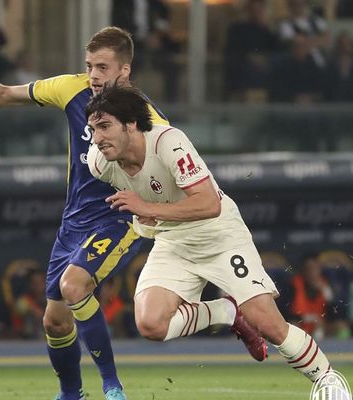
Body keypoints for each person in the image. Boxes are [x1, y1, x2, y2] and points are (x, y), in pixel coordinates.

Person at [0, 26, 173, 400]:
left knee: (74, 286)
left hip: (117, 217)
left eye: (102, 67)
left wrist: (155, 208)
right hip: (73, 223)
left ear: (124, 70)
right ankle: (71, 399)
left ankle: (113, 389)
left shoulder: (146, 117)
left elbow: (171, 167)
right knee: (54, 319)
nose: (94, 75)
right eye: (89, 66)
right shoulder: (71, 90)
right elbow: (3, 94)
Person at [86, 85, 331, 384]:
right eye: (93, 129)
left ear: (132, 123)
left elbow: (208, 204)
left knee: (269, 324)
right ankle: (226, 311)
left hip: (219, 237)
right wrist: (148, 212)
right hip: (174, 241)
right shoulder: (99, 163)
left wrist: (147, 207)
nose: (98, 138)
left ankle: (332, 388)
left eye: (105, 126)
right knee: (150, 324)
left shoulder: (168, 142)